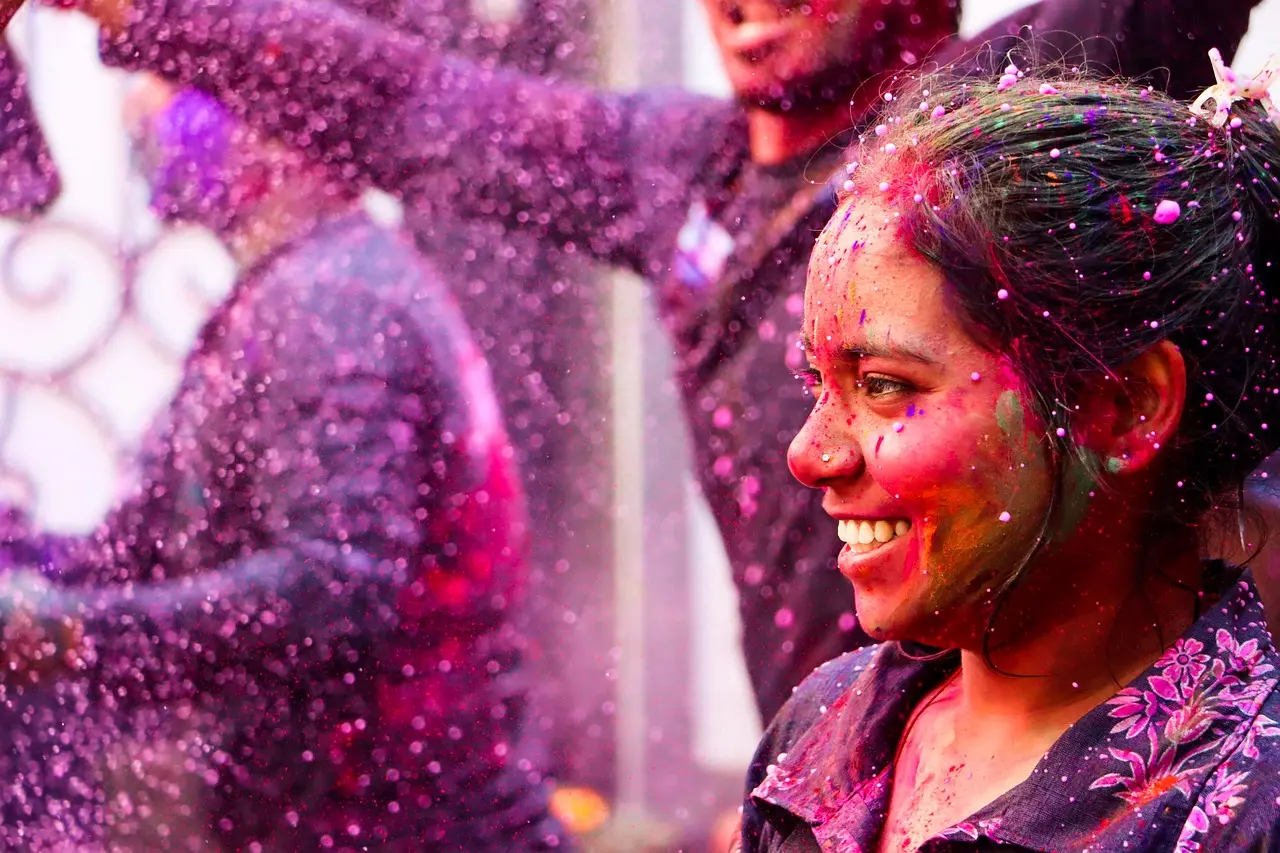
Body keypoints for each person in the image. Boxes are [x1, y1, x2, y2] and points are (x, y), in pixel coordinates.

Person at [67, 0, 1266, 723]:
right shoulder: (681, 177)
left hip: (1069, 767)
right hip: (832, 776)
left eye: (883, 377)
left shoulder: (1010, 113)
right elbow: (419, 102)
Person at [0, 75, 567, 852]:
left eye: (165, 79)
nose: (134, 107)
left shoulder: (332, 300)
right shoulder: (295, 288)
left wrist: (69, 632)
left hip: (405, 829)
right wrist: (36, 589)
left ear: (276, 118)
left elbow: (335, 586)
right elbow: (133, 556)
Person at [741, 51, 1280, 852]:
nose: (809, 454)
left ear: (1120, 406)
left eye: (883, 384)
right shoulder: (820, 731)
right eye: (816, 380)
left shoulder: (1246, 812)